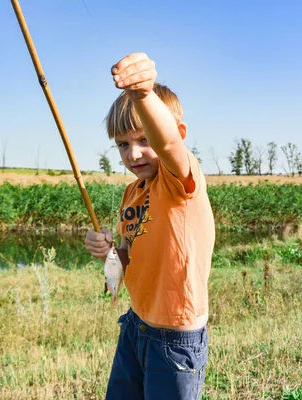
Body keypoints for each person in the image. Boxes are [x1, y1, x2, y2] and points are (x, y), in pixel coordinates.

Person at [85, 52, 215, 400]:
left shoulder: (179, 181)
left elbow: (168, 143)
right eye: (123, 145)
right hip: (135, 326)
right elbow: (127, 256)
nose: (133, 154)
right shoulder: (132, 192)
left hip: (175, 341)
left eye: (144, 140)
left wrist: (142, 94)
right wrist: (109, 252)